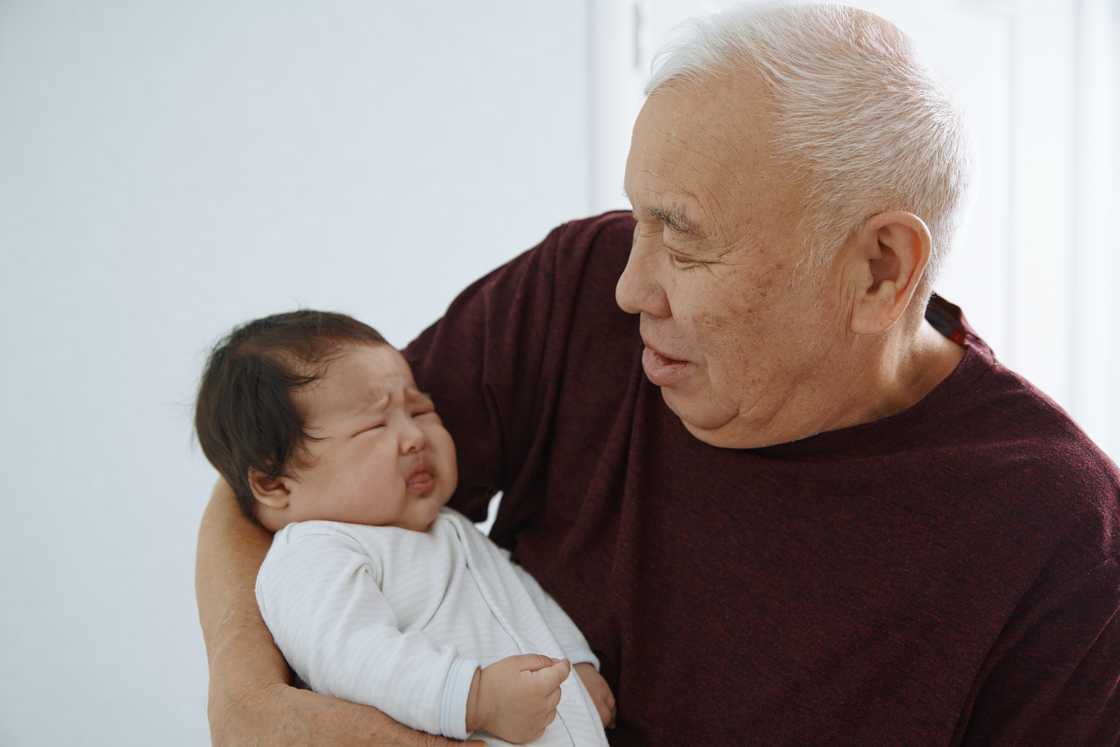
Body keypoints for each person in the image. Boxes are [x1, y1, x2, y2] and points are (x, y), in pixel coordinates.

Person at [195, 4, 1120, 744]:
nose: (632, 287)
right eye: (638, 218)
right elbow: (282, 477)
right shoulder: (579, 286)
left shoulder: (1059, 533)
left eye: (684, 239)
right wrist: (249, 700)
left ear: (879, 270)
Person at [193, 311, 614, 745]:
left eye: (421, 409)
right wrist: (473, 697)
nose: (414, 436)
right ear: (273, 483)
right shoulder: (311, 554)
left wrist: (575, 660)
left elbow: (523, 598)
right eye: (375, 425)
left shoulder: (447, 527)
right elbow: (353, 654)